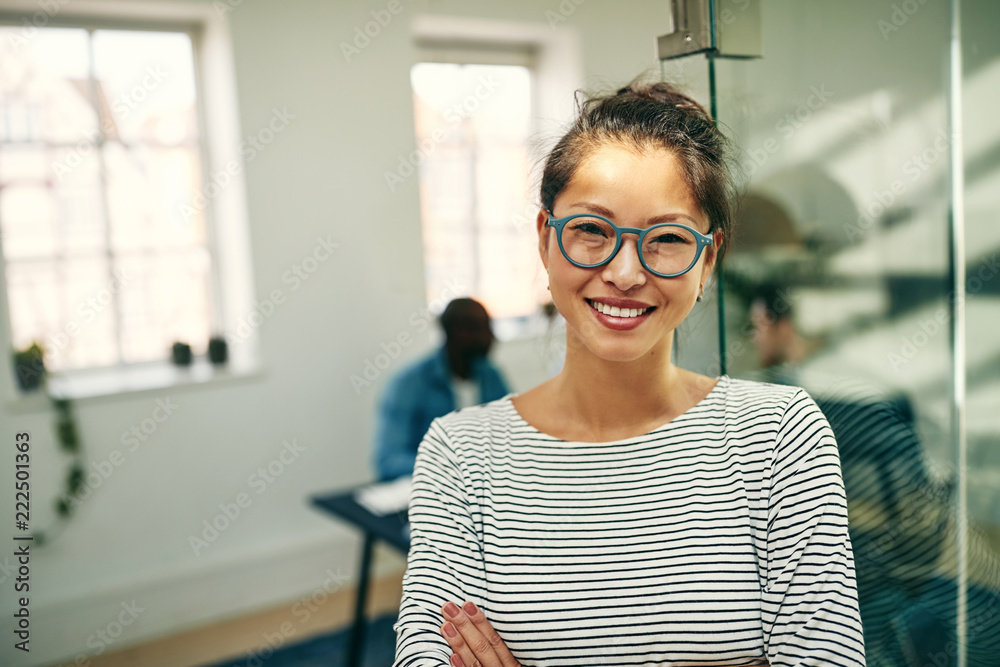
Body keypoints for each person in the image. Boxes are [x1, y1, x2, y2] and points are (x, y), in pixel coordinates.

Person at [392, 81, 867, 666]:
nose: (624, 272)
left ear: (708, 261)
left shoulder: (778, 436)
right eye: (592, 230)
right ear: (546, 239)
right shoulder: (460, 454)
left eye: (666, 239)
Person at [373, 297, 510, 482]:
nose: (491, 337)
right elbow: (389, 461)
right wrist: (451, 467)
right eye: (481, 328)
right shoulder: (409, 384)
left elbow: (512, 433)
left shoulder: (490, 375)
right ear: (457, 332)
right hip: (431, 493)